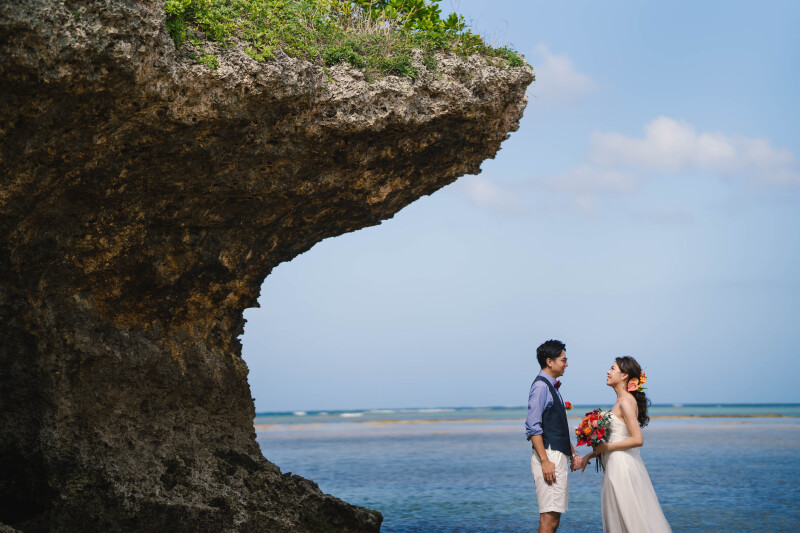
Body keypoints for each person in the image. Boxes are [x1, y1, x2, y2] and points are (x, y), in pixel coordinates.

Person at [577, 356, 672, 533]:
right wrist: (589, 456)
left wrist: (606, 448)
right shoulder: (619, 402)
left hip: (622, 468)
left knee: (631, 517)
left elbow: (637, 439)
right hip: (614, 465)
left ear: (624, 375)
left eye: (612, 368)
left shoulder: (627, 401)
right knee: (619, 518)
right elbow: (615, 439)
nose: (608, 371)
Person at [525, 340, 581, 533]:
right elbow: (533, 427)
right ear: (550, 361)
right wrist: (545, 461)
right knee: (548, 518)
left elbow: (558, 426)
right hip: (550, 456)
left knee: (554, 517)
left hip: (556, 455)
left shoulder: (552, 387)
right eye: (563, 360)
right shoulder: (541, 387)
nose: (566, 364)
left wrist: (572, 454)